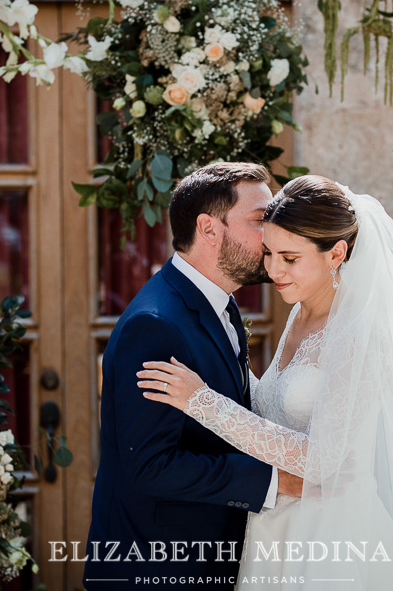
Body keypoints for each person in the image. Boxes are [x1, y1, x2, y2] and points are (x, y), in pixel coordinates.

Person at [138, 176, 393, 590]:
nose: (272, 269)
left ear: (336, 253)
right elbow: (278, 407)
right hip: (277, 529)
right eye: (269, 253)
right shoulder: (300, 313)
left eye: (290, 257)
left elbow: (322, 460)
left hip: (333, 534)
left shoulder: (359, 330)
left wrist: (204, 402)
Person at [84, 162, 304, 591]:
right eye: (261, 220)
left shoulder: (219, 303)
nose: (274, 235)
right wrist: (274, 481)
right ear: (209, 229)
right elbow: (150, 466)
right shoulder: (155, 324)